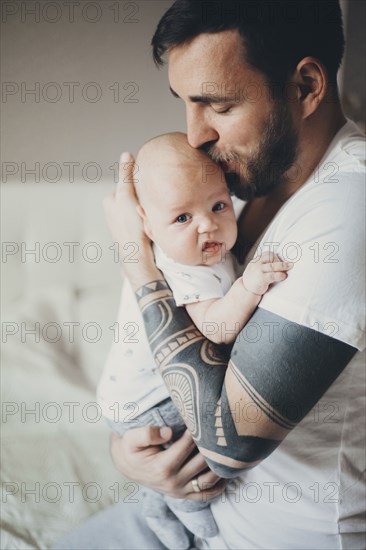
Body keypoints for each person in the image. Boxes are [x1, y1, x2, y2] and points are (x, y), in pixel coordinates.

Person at [55, 1, 365, 548]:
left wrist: (135, 253)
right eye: (185, 105)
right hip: (198, 513)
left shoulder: (349, 206)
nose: (195, 136)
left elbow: (227, 444)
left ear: (307, 86)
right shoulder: (245, 184)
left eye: (216, 106)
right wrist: (133, 454)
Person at [97, 132, 292, 550]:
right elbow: (216, 329)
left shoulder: (201, 250)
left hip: (127, 399)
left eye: (218, 205)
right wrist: (251, 286)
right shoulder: (181, 266)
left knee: (158, 469)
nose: (208, 224)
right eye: (182, 218)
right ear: (146, 225)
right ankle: (181, 513)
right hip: (148, 402)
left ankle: (155, 505)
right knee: (186, 466)